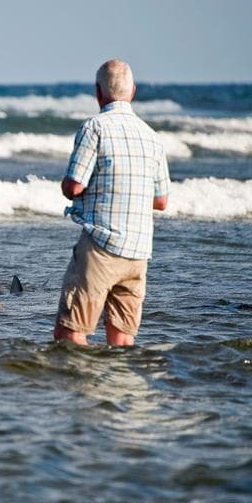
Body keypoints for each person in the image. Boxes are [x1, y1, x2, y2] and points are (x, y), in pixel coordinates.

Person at [54, 59, 170, 347]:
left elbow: (75, 185)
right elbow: (161, 201)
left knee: (71, 332)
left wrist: (68, 187)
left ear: (98, 92)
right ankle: (118, 389)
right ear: (133, 91)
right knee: (121, 339)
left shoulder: (95, 127)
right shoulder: (152, 137)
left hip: (101, 246)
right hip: (139, 251)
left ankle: (83, 388)